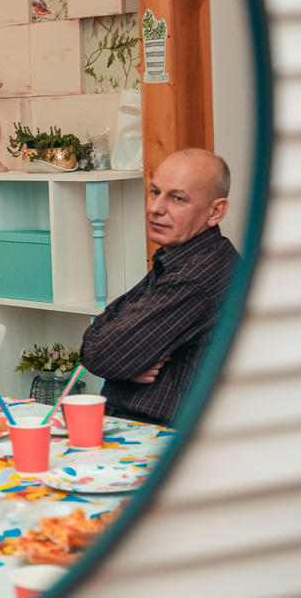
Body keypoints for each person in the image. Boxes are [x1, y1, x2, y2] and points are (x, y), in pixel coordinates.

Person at [80, 148, 240, 426]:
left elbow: (101, 353)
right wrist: (127, 363)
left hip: (154, 435)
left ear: (216, 211)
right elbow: (100, 341)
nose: (155, 208)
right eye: (155, 192)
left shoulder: (197, 275)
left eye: (177, 198)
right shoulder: (182, 258)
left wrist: (122, 360)